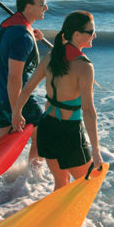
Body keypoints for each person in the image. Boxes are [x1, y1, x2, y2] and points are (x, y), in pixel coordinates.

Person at [13, 10, 103, 190]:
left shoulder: (51, 58)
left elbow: (27, 88)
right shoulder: (85, 67)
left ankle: (55, 217)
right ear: (76, 34)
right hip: (69, 133)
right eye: (91, 31)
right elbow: (88, 111)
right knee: (87, 186)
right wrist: (96, 151)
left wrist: (16, 113)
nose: (94, 35)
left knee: (61, 184)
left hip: (47, 127)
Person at [0, 0, 47, 159]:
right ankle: (35, 177)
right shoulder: (23, 37)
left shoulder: (10, 25)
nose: (46, 8)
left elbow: (13, 44)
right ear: (28, 7)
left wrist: (32, 34)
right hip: (17, 97)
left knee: (3, 146)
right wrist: (17, 111)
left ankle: (1, 180)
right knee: (42, 136)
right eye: (42, 4)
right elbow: (14, 77)